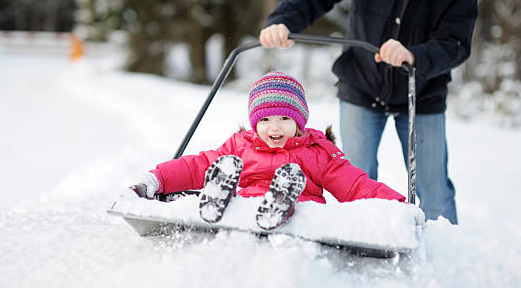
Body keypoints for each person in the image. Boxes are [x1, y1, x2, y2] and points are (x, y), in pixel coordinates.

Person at [259, 0, 478, 224]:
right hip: (362, 87)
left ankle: (439, 260)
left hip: (421, 94)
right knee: (355, 181)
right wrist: (283, 21)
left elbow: (455, 44)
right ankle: (360, 247)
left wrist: (414, 54)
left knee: (434, 188)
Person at [130, 71, 405, 230]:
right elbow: (198, 165)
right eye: (264, 120)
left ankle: (283, 200)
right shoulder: (240, 145)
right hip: (246, 212)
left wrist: (398, 207)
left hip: (301, 216)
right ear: (254, 122)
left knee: (293, 194)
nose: (275, 128)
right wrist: (158, 178)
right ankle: (217, 197)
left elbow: (356, 185)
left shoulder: (318, 151)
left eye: (285, 119)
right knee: (217, 170)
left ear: (299, 121)